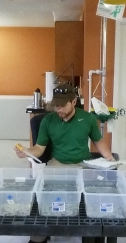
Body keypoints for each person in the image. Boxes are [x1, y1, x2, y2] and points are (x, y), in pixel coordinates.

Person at [14, 83, 115, 243]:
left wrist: (110, 159)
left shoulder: (88, 119)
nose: (58, 109)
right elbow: (39, 149)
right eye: (56, 106)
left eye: (62, 106)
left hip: (83, 165)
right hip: (57, 165)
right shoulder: (48, 121)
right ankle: (39, 237)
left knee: (90, 204)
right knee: (45, 202)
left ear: (74, 102)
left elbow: (98, 142)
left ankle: (90, 235)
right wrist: (26, 151)